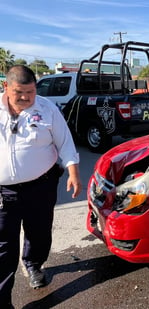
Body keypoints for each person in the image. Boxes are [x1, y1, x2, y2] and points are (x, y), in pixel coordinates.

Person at [0, 65, 82, 308]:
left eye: (31, 92)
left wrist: (74, 172)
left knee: (39, 233)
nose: (25, 97)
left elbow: (65, 142)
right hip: (4, 193)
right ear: (6, 87)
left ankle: (34, 264)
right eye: (19, 92)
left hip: (41, 187)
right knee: (3, 247)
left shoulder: (47, 109)